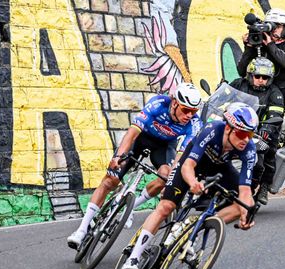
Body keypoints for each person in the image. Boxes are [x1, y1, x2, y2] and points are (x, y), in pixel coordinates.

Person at [120, 103, 259, 269]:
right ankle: (133, 258)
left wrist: (246, 213)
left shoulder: (249, 149)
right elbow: (188, 166)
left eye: (250, 134)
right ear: (228, 128)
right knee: (166, 206)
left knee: (245, 204)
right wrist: (193, 183)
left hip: (220, 167)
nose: (245, 139)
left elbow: (245, 190)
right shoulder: (212, 130)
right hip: (192, 163)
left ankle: (199, 223)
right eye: (241, 133)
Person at [66, 83, 202, 249]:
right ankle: (81, 230)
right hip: (141, 138)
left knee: (167, 176)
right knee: (110, 180)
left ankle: (131, 207)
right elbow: (132, 133)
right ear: (174, 103)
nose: (189, 115)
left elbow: (179, 159)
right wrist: (118, 157)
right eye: (186, 110)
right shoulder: (158, 104)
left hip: (164, 147)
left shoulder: (194, 124)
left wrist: (171, 183)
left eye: (193, 111)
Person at [229, 57, 285, 205]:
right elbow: (222, 97)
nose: (261, 80)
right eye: (258, 76)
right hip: (234, 126)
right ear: (250, 75)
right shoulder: (238, 84)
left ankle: (264, 186)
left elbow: (276, 114)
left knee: (266, 156)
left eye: (265, 77)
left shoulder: (275, 93)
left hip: (259, 131)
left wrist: (266, 129)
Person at [238, 8, 285, 104]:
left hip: (277, 99)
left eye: (277, 26)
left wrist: (270, 45)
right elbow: (241, 71)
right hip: (252, 97)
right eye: (271, 25)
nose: (273, 29)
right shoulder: (259, 43)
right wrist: (249, 47)